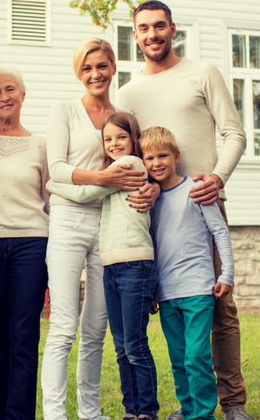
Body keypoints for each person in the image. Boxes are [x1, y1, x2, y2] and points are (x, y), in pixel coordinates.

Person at [116, 0, 251, 420]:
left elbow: (234, 133)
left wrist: (218, 177)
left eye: (160, 26)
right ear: (134, 35)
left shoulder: (202, 73)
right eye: (143, 28)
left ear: (173, 29)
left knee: (219, 306)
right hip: (156, 213)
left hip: (203, 202)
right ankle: (189, 403)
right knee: (171, 307)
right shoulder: (128, 92)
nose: (152, 34)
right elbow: (129, 154)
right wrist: (144, 191)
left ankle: (232, 403)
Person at [43, 37, 156, 420]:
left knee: (95, 330)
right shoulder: (65, 110)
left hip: (109, 225)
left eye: (102, 66)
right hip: (68, 223)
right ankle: (56, 414)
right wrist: (105, 177)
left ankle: (90, 412)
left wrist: (151, 186)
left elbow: (141, 163)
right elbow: (55, 168)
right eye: (87, 67)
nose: (96, 74)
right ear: (79, 72)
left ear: (113, 68)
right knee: (63, 326)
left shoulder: (122, 117)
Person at [0, 65, 49, 420]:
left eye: (10, 89)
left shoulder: (40, 145)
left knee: (24, 336)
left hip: (31, 246)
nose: (4, 97)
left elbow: (50, 201)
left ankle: (20, 415)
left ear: (22, 94)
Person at [142, 126, 236, 420]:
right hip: (167, 293)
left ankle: (202, 415)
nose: (156, 163)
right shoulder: (150, 201)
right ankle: (189, 409)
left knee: (197, 356)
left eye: (163, 156)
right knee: (179, 359)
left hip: (198, 289)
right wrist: (151, 290)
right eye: (149, 158)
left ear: (176, 156)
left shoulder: (196, 189)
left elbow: (219, 232)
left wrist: (227, 275)